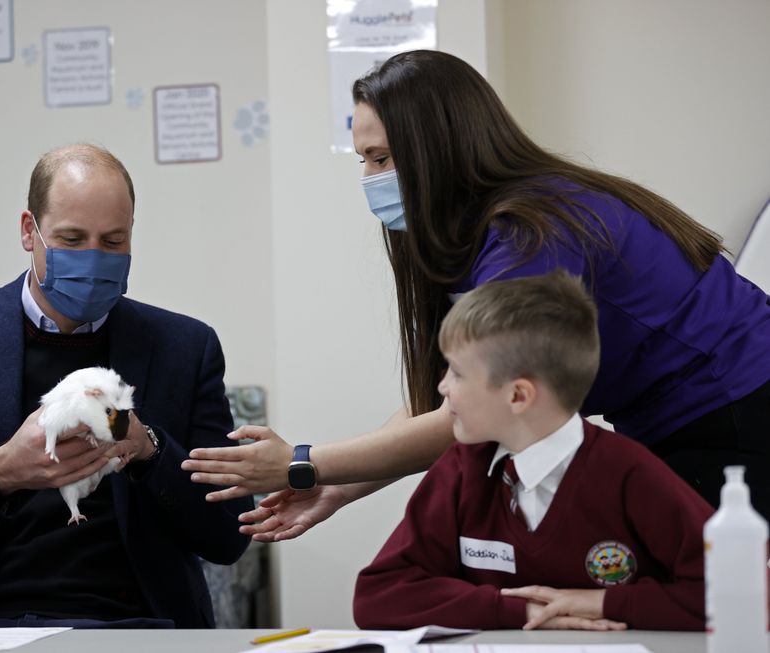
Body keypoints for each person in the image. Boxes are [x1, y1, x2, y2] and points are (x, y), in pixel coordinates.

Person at [182, 49, 770, 538]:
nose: (370, 180)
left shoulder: (530, 237)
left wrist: (303, 464)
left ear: (439, 146)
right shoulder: (484, 234)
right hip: (685, 418)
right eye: (363, 161)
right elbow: (453, 392)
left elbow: (476, 412)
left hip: (736, 407)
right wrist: (336, 486)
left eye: (382, 158)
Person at [0, 143, 252, 629]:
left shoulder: (184, 348)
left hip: (127, 626)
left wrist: (150, 451)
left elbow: (228, 536)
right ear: (30, 231)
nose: (93, 258)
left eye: (113, 242)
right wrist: (0, 471)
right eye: (71, 239)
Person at [353, 272, 714, 631]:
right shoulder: (462, 469)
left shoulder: (630, 473)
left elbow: (732, 590)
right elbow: (379, 594)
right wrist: (525, 612)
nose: (442, 387)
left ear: (518, 396)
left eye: (457, 373)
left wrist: (600, 603)